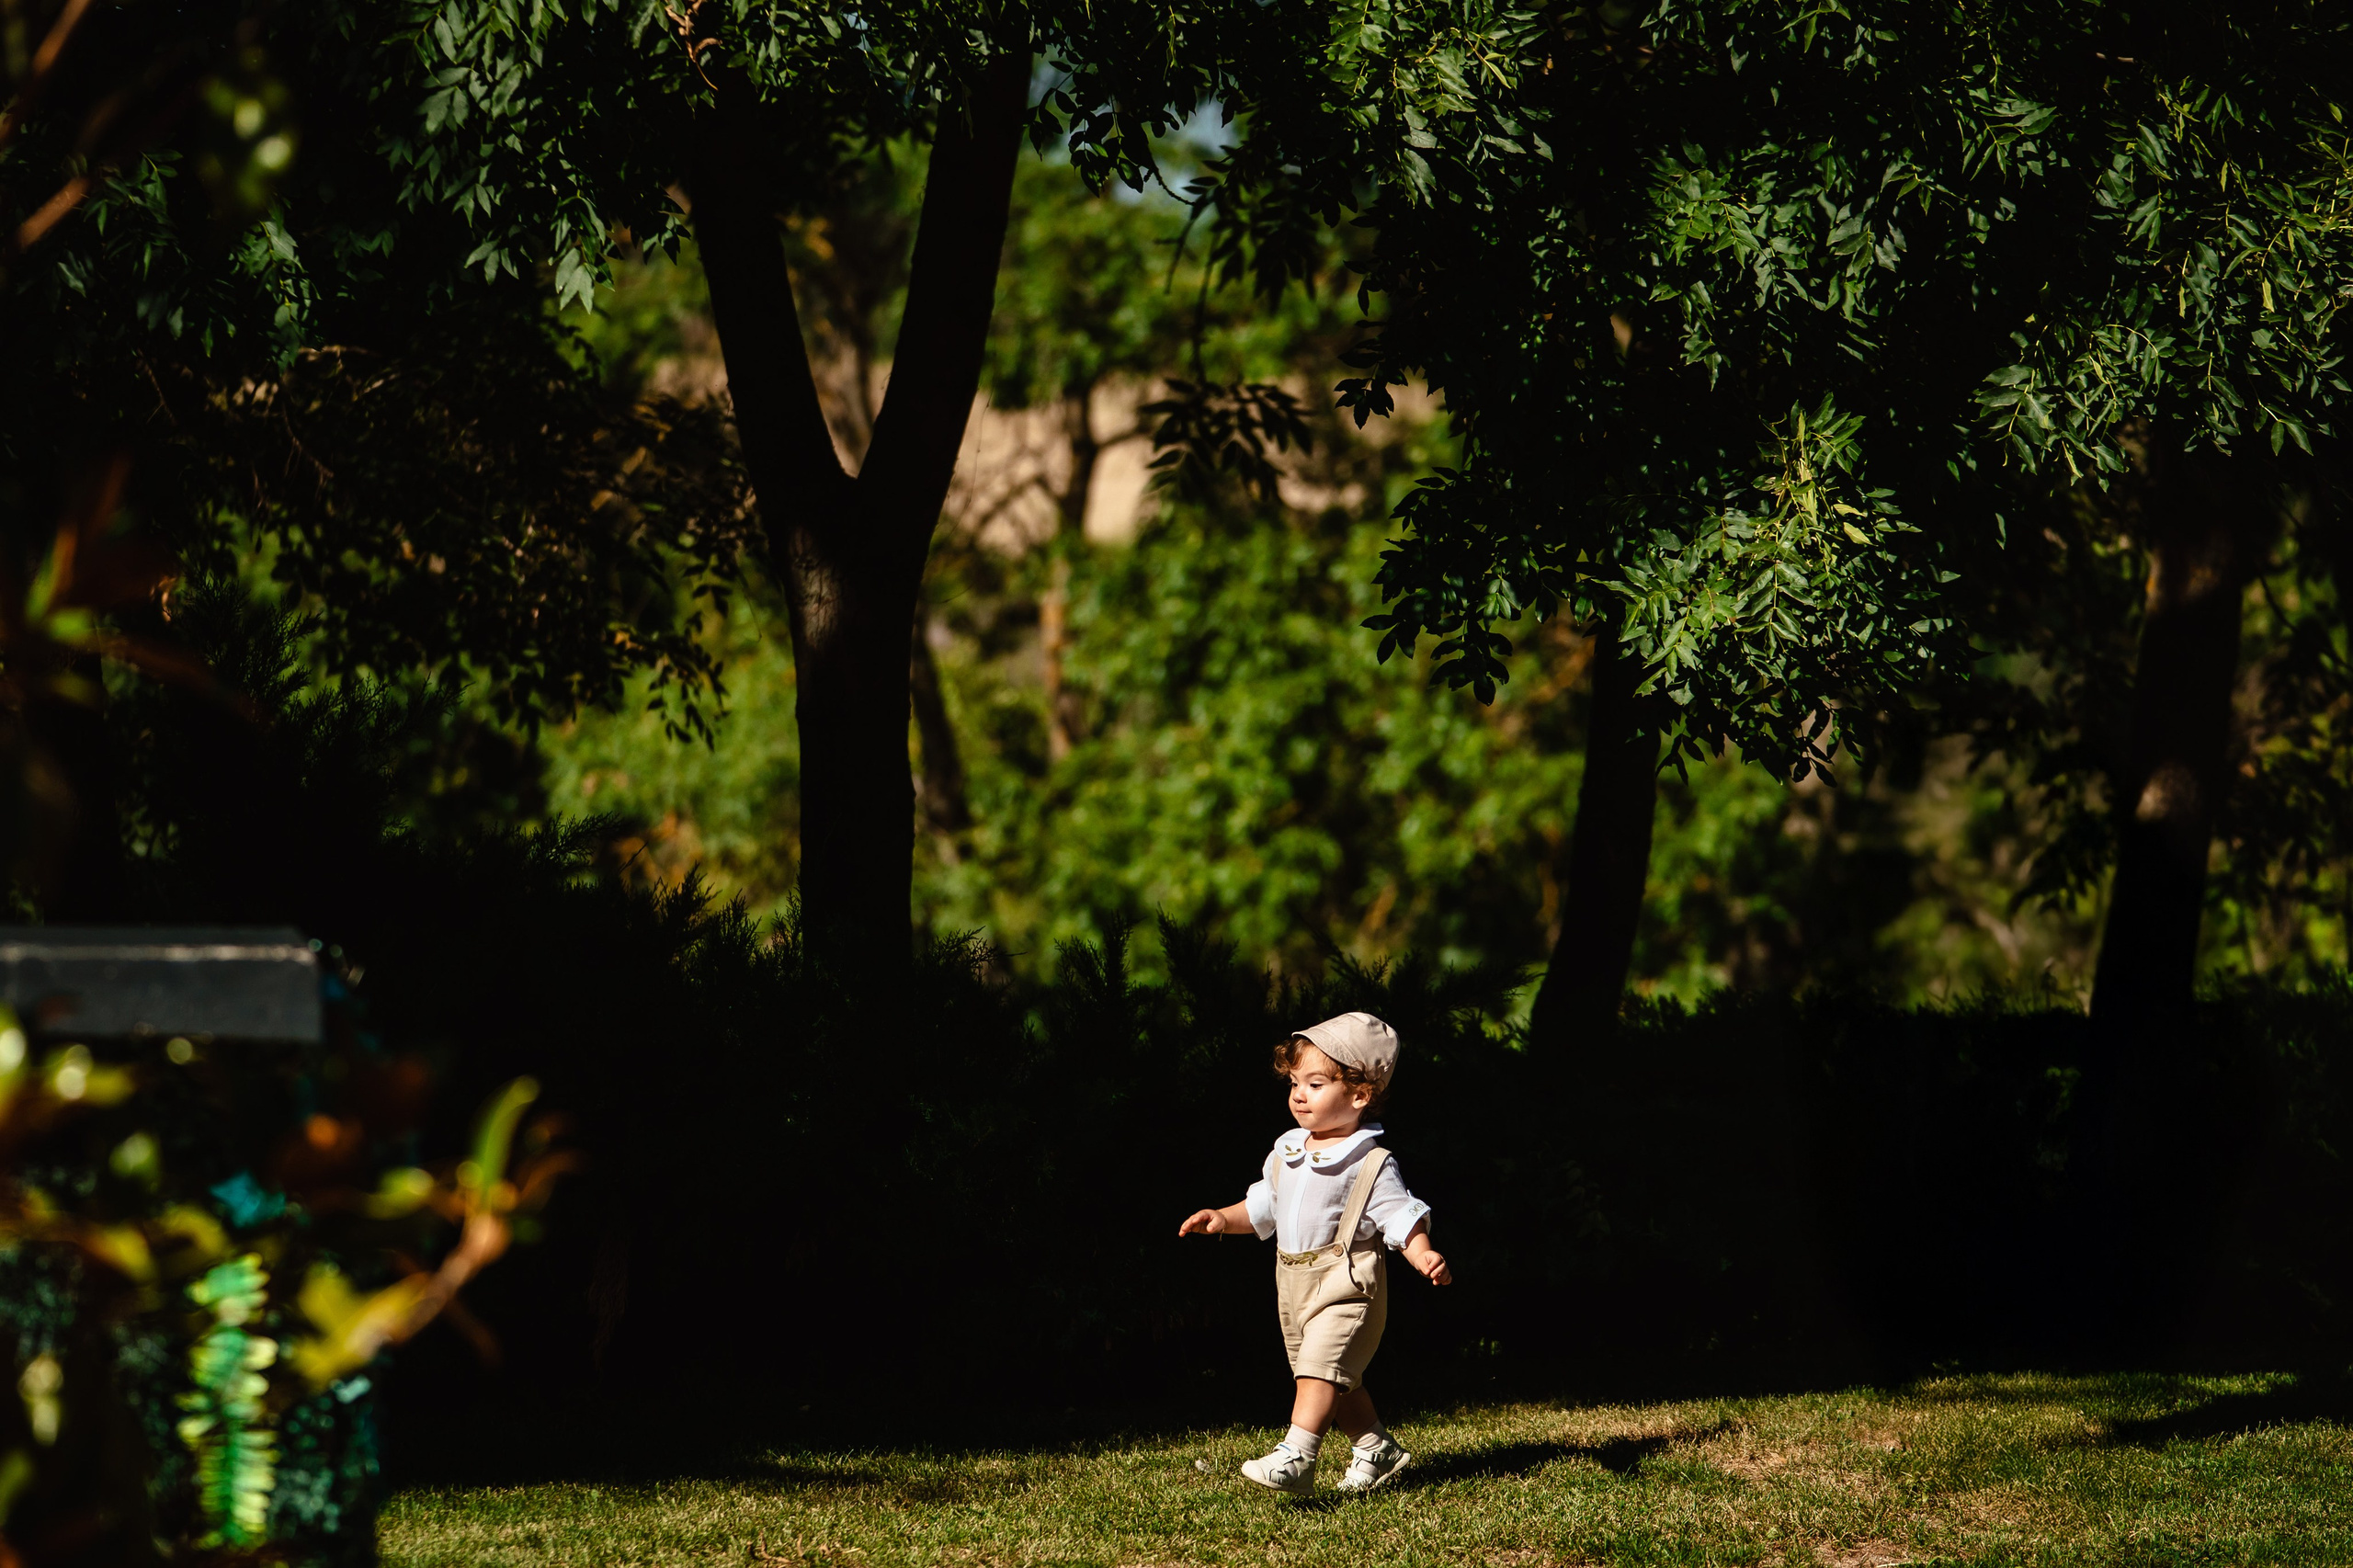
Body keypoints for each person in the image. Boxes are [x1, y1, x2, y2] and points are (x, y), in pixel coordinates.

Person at [1177, 1010, 1451, 1495]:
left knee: (1318, 1371)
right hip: (1293, 1283)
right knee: (1336, 1378)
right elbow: (1264, 1204)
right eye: (1295, 1083)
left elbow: (1400, 1215)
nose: (1299, 1094)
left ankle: (1298, 1456)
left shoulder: (1369, 1162)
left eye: (1315, 1084)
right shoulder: (1288, 1150)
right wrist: (1223, 1217)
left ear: (1360, 1095)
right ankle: (1376, 1449)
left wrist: (1422, 1252)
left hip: (1348, 1283)